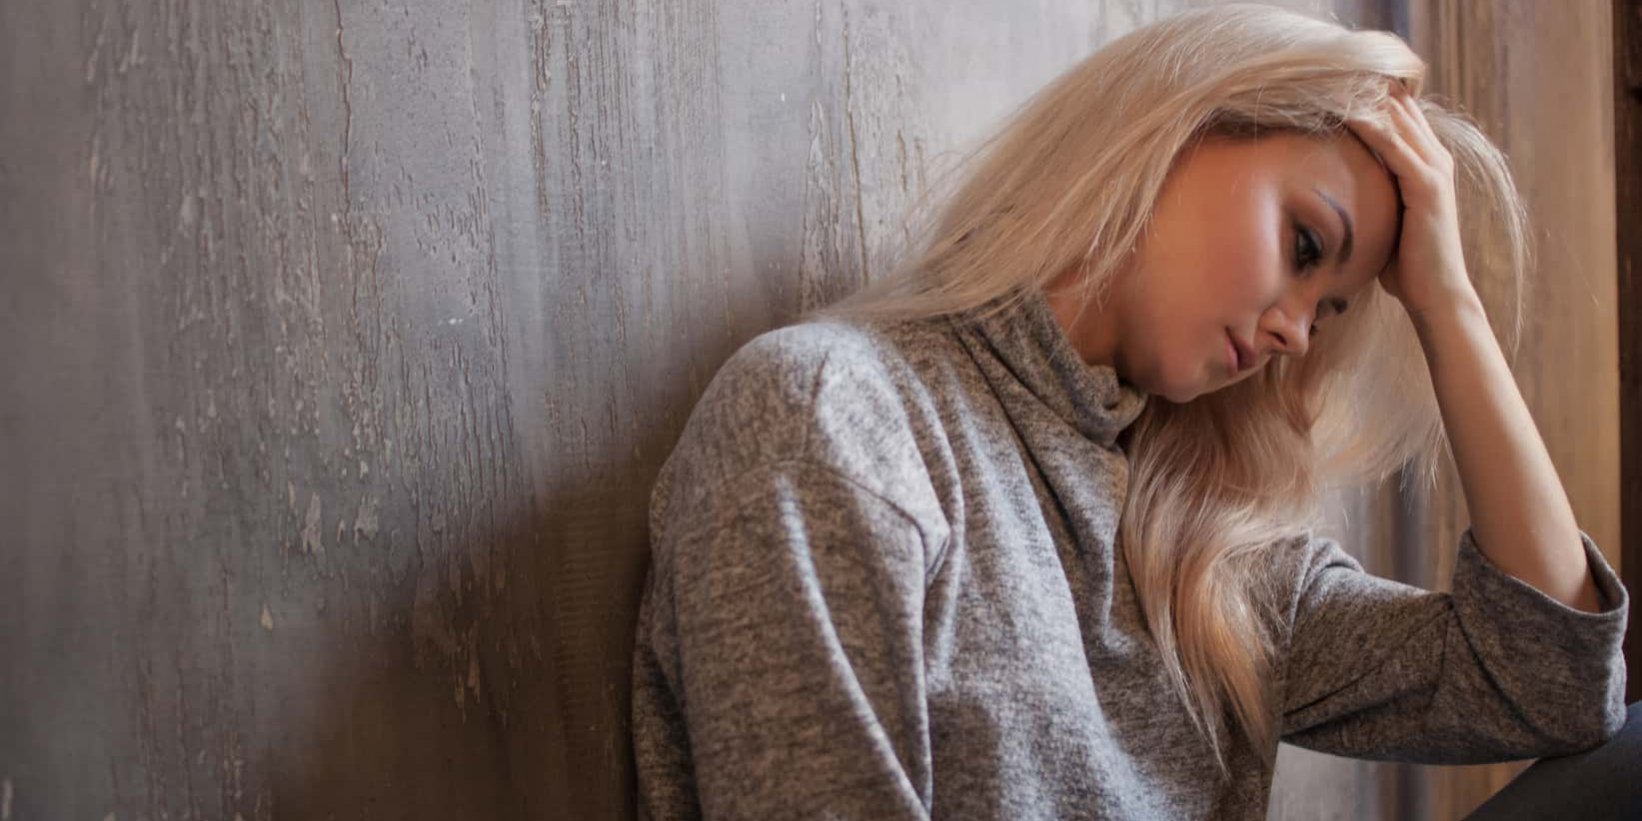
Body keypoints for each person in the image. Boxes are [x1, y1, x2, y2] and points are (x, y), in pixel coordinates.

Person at [629, 3, 1635, 819]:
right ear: (1177, 131)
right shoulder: (835, 426)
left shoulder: (1203, 560)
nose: (1296, 333)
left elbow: (1546, 684)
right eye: (1301, 246)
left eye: (1330, 311)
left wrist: (1445, 304)